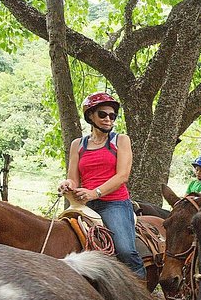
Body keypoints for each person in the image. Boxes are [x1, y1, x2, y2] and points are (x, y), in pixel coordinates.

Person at [59, 92, 145, 278]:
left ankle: (142, 292)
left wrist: (94, 193)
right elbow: (73, 178)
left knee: (125, 251)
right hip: (83, 205)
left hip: (114, 203)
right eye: (103, 114)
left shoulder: (121, 140)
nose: (108, 119)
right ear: (90, 115)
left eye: (112, 116)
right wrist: (68, 184)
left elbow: (122, 176)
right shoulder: (78, 144)